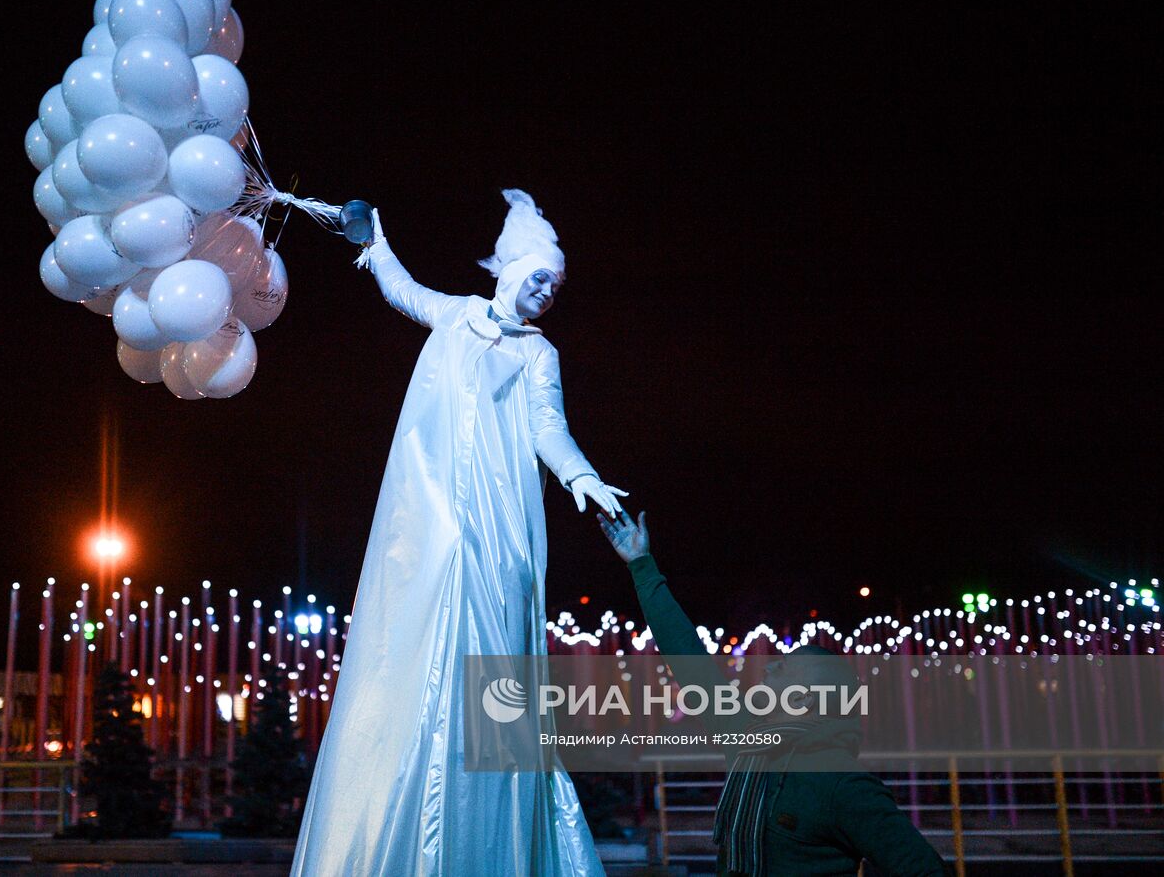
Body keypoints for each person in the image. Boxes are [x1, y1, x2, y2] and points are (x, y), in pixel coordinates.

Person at [290, 191, 626, 876]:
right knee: (423, 629)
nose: (545, 293)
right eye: (538, 277)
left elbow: (547, 427)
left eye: (554, 286)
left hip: (501, 519)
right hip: (435, 505)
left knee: (491, 646)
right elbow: (403, 291)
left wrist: (580, 477)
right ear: (508, 271)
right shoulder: (459, 318)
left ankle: (490, 812)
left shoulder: (539, 353)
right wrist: (370, 239)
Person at [597, 510, 948, 877]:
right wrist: (642, 566)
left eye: (782, 669)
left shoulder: (842, 784)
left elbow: (922, 868)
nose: (766, 669)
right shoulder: (749, 739)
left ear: (804, 699)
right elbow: (691, 662)